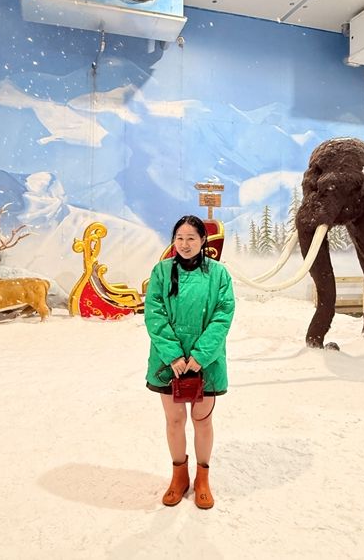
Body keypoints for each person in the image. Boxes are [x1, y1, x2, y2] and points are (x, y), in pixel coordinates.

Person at [145, 215, 235, 509]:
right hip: (167, 362)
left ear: (202, 241)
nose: (184, 244)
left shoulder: (219, 274)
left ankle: (203, 480)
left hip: (205, 363)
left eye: (191, 238)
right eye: (179, 238)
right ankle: (179, 477)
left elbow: (223, 316)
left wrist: (200, 355)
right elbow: (154, 314)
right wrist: (173, 354)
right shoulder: (161, 271)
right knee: (174, 420)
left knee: (202, 420)